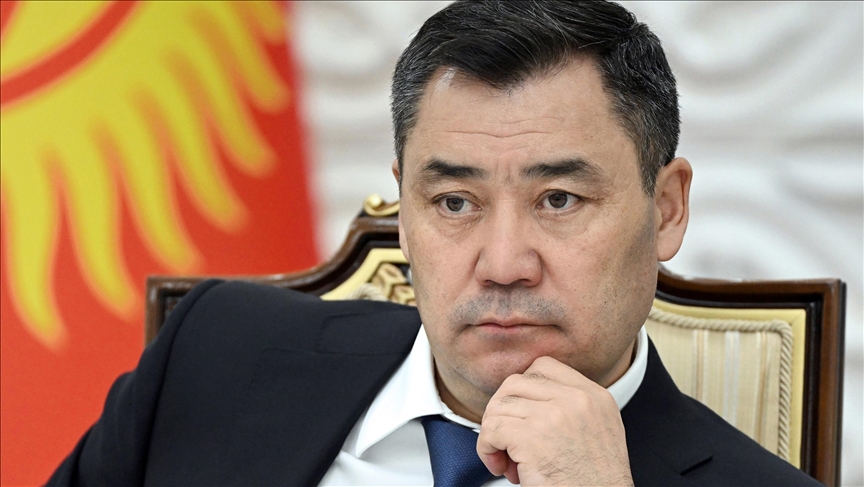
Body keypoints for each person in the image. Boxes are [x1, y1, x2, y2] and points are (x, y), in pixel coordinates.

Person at [49, 1, 821, 486]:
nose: (504, 264)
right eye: (455, 202)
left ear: (667, 209)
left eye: (559, 199)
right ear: (403, 208)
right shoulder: (216, 352)